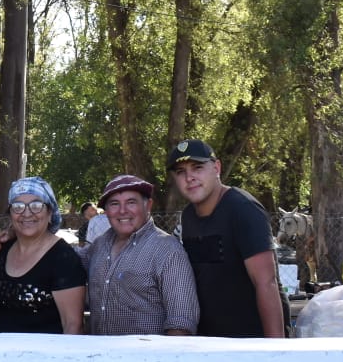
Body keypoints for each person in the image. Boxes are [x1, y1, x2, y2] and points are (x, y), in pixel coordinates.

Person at [167, 139, 285, 337]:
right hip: (209, 341)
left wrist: (276, 350)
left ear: (217, 167)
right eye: (181, 172)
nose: (189, 177)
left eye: (197, 168)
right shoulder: (188, 216)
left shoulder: (243, 209)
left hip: (250, 342)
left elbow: (267, 283)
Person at [81, 173, 198, 336]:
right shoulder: (99, 246)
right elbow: (66, 263)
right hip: (98, 357)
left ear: (148, 205)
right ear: (106, 211)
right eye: (114, 204)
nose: (122, 211)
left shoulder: (168, 250)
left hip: (146, 359)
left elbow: (181, 322)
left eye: (131, 202)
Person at [0, 177, 84, 334]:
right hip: (1, 355)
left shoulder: (64, 258)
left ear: (50, 213)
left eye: (36, 205)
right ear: (10, 214)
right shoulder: (3, 249)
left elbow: (72, 325)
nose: (27, 213)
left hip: (43, 357)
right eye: (18, 206)